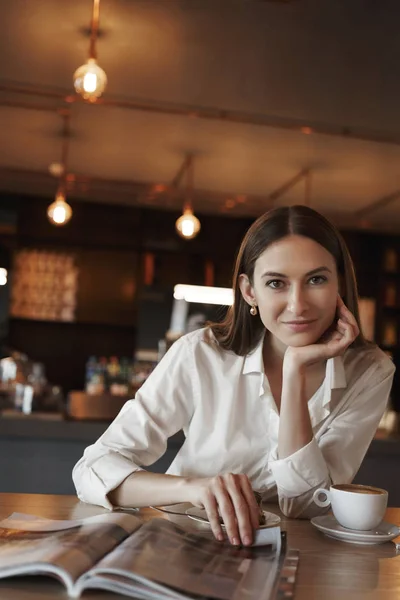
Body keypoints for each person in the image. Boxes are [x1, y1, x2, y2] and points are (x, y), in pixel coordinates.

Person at [73, 205, 395, 548]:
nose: (298, 304)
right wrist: (195, 488)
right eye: (276, 283)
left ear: (340, 283)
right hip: (183, 546)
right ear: (249, 291)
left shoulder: (371, 371)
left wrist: (294, 372)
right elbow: (92, 469)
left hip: (293, 557)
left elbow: (305, 504)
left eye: (316, 279)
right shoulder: (200, 353)